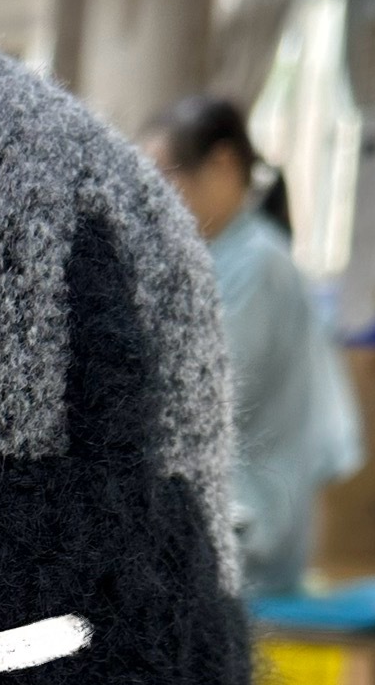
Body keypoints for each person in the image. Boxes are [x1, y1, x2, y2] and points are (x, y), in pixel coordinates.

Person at [144, 96, 362, 598]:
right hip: (222, 509)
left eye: (165, 179)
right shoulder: (222, 256)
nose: (153, 201)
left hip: (249, 529)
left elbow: (196, 398)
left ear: (223, 165)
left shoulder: (258, 265)